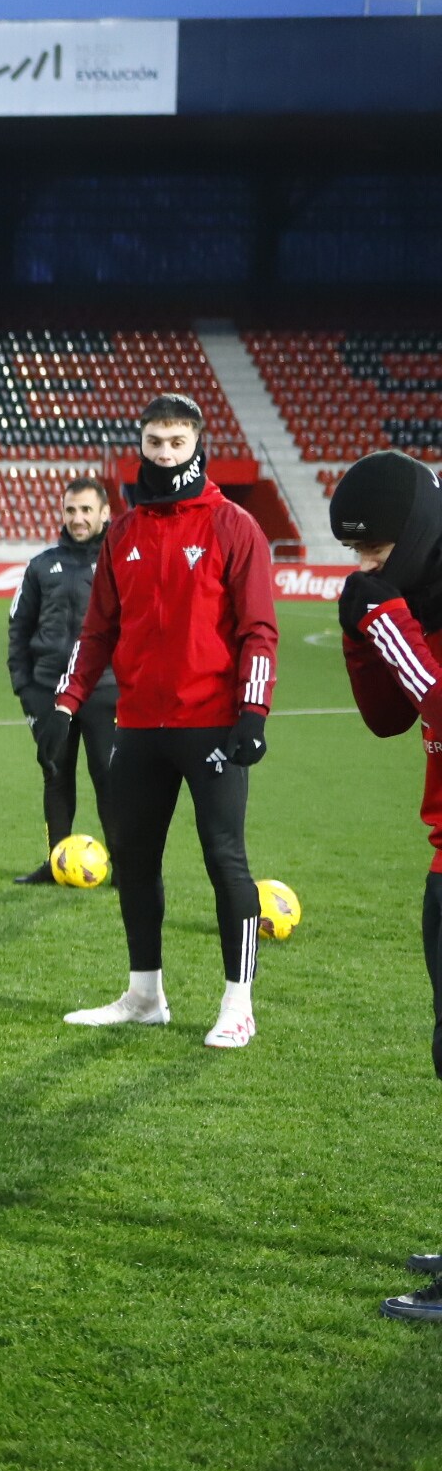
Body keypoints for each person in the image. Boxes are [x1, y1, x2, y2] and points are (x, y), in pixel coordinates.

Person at [51, 394, 276, 1049]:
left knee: (224, 859)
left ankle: (239, 1004)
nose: (166, 454)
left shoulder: (233, 527)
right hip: (139, 726)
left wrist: (253, 712)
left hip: (212, 725)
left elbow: (260, 631)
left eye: (177, 443)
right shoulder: (122, 533)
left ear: (197, 445)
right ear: (141, 446)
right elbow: (96, 635)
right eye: (155, 443)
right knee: (135, 858)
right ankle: (145, 995)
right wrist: (66, 704)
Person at [322, 452, 442, 1322]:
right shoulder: (414, 593)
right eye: (357, 555)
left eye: (379, 550)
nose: (368, 567)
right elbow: (388, 719)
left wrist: (386, 622)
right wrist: (364, 639)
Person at [6, 477, 119, 882]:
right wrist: (26, 688)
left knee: (109, 778)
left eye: (87, 510)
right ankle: (57, 862)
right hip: (48, 692)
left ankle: (124, 867)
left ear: (105, 514)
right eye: (71, 510)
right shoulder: (41, 565)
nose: (78, 518)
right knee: (55, 773)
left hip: (104, 690)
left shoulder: (119, 561)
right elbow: (18, 628)